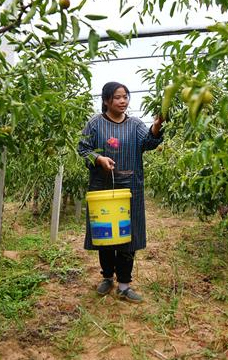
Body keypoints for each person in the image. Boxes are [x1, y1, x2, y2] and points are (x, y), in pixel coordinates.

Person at [77, 81, 165, 303]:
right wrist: (99, 158)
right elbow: (83, 149)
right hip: (103, 187)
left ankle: (124, 285)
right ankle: (107, 277)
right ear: (106, 100)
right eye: (117, 97)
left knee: (128, 235)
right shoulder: (95, 124)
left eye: (125, 96)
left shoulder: (134, 124)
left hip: (130, 187)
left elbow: (148, 142)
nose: (123, 101)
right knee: (106, 233)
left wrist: (156, 125)